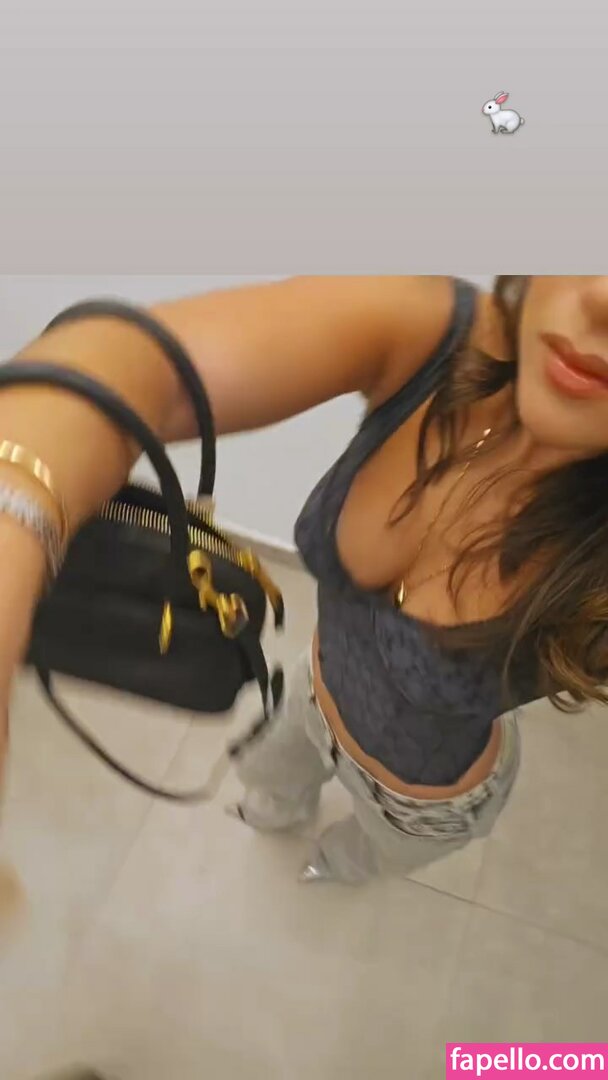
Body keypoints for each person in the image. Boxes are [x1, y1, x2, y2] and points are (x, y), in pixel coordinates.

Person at [1, 275, 607, 886]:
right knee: (266, 779)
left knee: (367, 855)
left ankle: (340, 865)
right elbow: (133, 367)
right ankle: (280, 812)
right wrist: (15, 527)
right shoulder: (438, 337)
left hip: (418, 797)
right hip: (310, 693)